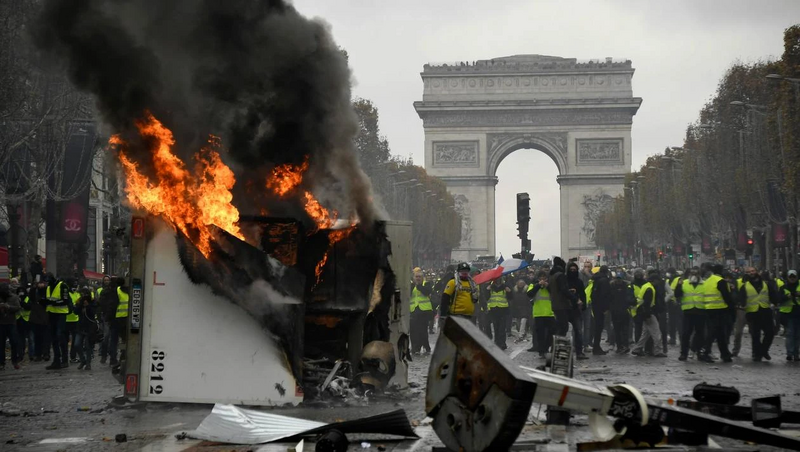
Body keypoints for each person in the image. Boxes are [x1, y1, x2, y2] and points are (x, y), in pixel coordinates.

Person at [738, 267, 776, 362]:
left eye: (753, 271)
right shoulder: (745, 286)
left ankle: (764, 350)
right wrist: (742, 304)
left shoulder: (766, 284)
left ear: (757, 272)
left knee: (770, 333)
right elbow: (741, 299)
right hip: (753, 312)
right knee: (755, 335)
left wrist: (775, 303)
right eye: (749, 272)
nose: (751, 273)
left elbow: (773, 296)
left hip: (765, 311)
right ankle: (757, 354)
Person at [551, 257, 586, 359]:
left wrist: (581, 303)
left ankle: (577, 352)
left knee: (576, 330)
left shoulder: (554, 276)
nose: (572, 272)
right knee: (563, 329)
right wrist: (575, 298)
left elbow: (582, 294)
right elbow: (563, 291)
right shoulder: (561, 277)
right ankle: (557, 352)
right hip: (565, 307)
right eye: (571, 269)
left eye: (574, 270)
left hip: (570, 308)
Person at [675, 268, 710, 362]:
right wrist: (679, 285)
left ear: (699, 275)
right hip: (688, 312)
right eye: (692, 273)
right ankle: (684, 353)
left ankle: (699, 352)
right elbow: (677, 294)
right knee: (686, 334)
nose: (694, 275)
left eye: (696, 273)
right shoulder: (684, 283)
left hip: (701, 311)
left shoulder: (705, 284)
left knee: (700, 334)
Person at [630, 269, 667, 357]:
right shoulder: (650, 289)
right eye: (658, 281)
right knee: (656, 333)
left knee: (645, 334)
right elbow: (647, 304)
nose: (658, 283)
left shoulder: (646, 286)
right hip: (648, 313)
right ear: (654, 280)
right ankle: (658, 351)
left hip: (642, 312)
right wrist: (648, 316)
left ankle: (637, 349)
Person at [703, 264, 734, 363]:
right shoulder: (720, 281)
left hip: (708, 309)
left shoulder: (708, 281)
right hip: (720, 309)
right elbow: (727, 296)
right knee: (717, 333)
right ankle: (707, 352)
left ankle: (724, 354)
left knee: (716, 333)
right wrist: (732, 308)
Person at [45, 274, 72, 369]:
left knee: (60, 336)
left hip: (61, 314)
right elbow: (49, 299)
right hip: (51, 314)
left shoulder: (62, 286)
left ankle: (65, 360)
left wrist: (54, 303)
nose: (47, 283)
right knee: (53, 338)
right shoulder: (49, 287)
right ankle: (56, 360)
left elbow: (65, 300)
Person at [527, 271, 555, 357]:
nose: (542, 279)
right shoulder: (533, 285)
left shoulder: (551, 285)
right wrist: (538, 285)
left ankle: (546, 347)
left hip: (550, 313)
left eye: (544, 278)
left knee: (552, 332)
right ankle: (541, 350)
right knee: (540, 334)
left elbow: (555, 293)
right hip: (538, 313)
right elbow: (529, 294)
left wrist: (547, 286)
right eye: (541, 278)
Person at [609, 270, 635, 354]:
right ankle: (619, 346)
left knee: (625, 329)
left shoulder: (627, 286)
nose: (618, 280)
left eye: (619, 279)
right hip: (615, 311)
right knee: (617, 329)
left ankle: (625, 345)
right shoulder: (612, 286)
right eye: (617, 279)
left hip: (624, 310)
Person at [73, 286, 98, 370]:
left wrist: (88, 306)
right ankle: (82, 360)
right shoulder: (79, 301)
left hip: (89, 327)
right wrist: (80, 305)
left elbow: (93, 313)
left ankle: (88, 363)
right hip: (80, 326)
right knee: (77, 344)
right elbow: (75, 312)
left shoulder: (93, 302)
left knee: (88, 346)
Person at [409, 270, 433, 354]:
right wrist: (413, 285)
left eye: (419, 277)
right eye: (416, 277)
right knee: (413, 330)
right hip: (413, 310)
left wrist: (419, 286)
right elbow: (407, 294)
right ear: (413, 278)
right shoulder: (411, 285)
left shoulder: (426, 284)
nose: (418, 278)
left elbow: (427, 292)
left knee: (423, 330)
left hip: (424, 310)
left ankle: (425, 346)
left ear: (422, 278)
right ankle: (415, 348)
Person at [589, 266, 612, 355]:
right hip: (601, 307)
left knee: (597, 327)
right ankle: (596, 347)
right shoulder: (604, 281)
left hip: (595, 306)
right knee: (599, 327)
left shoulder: (596, 279)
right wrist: (605, 308)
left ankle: (596, 347)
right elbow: (605, 295)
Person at [107, 277, 129, 366]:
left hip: (116, 319)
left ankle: (113, 359)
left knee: (114, 340)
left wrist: (109, 318)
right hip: (126, 319)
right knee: (125, 340)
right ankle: (123, 357)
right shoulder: (129, 291)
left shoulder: (116, 291)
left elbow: (112, 306)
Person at [0, 283, 22, 370]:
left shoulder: (14, 297)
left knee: (14, 342)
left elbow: (18, 307)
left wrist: (8, 307)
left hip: (11, 323)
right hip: (1, 323)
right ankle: (1, 362)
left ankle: (15, 361)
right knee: (1, 344)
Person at [486, 277, 511, 350]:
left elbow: (511, 297)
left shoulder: (505, 286)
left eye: (499, 279)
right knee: (496, 327)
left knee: (502, 328)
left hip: (503, 309)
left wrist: (509, 291)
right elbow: (487, 298)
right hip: (493, 309)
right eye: (496, 279)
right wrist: (487, 290)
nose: (498, 281)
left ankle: (502, 343)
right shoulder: (491, 287)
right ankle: (497, 342)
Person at [782, 270, 800, 361]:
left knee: (798, 335)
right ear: (788, 278)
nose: (792, 278)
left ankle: (796, 354)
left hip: (798, 314)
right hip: (788, 314)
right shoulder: (783, 287)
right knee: (790, 334)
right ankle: (790, 353)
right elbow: (779, 298)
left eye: (794, 277)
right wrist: (787, 296)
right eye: (790, 277)